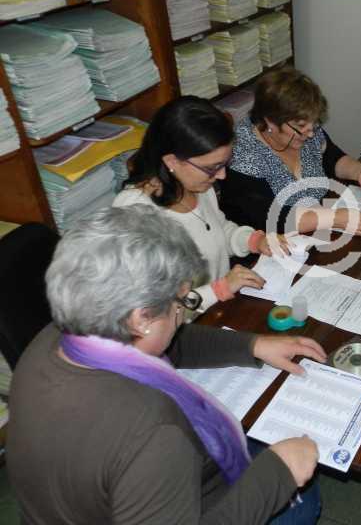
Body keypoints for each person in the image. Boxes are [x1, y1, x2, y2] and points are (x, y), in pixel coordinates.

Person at [7, 205, 326, 524]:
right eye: (181, 303)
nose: (181, 315)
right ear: (141, 319)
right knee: (302, 502)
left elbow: (162, 343)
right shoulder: (154, 436)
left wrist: (251, 345)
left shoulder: (55, 338)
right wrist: (278, 474)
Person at [113, 96, 361, 312]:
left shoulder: (196, 184)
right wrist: (219, 289)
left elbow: (220, 229)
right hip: (184, 330)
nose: (222, 176)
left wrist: (254, 240)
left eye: (224, 164)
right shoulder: (135, 216)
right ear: (172, 161)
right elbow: (150, 311)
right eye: (212, 167)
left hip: (221, 306)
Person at [219, 67, 361, 233]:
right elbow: (269, 218)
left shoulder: (304, 130)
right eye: (301, 126)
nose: (310, 133)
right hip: (265, 243)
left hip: (313, 230)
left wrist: (359, 172)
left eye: (313, 123)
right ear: (270, 121)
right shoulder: (241, 153)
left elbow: (332, 157)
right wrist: (335, 218)